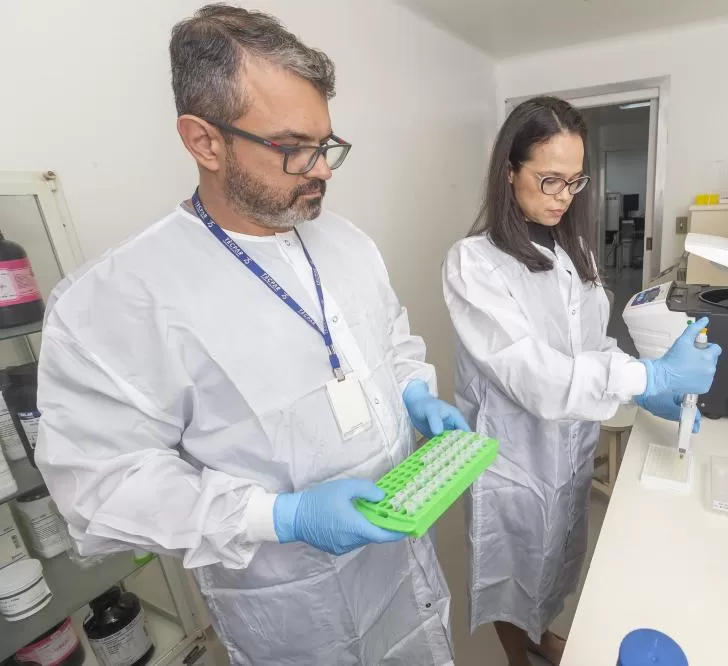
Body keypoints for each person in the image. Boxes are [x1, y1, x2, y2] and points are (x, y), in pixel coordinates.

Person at [34, 5, 467, 665]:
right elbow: (101, 488)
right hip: (295, 611)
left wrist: (414, 393)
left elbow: (392, 345)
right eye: (295, 147)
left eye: (327, 145)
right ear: (205, 140)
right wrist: (281, 517)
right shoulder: (118, 300)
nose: (321, 169)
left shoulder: (346, 243)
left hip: (404, 566)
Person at [442, 97, 722, 666]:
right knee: (510, 570)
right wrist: (648, 375)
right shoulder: (475, 264)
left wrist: (647, 385)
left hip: (569, 449)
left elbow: (593, 347)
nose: (563, 198)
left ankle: (542, 636)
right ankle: (518, 658)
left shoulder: (575, 252)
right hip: (510, 459)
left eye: (573, 182)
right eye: (548, 181)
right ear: (508, 172)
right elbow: (536, 376)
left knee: (556, 564)